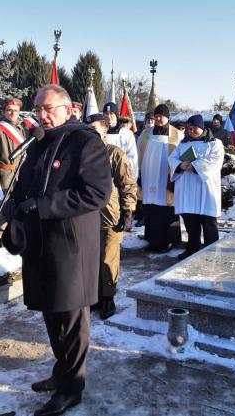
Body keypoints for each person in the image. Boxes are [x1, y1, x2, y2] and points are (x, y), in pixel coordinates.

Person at [2, 85, 111, 416]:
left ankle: (72, 387)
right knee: (51, 310)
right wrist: (17, 204)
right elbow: (25, 183)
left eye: (48, 108)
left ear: (68, 109)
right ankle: (61, 370)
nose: (41, 114)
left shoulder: (85, 142)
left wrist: (42, 206)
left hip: (71, 245)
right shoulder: (37, 142)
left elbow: (96, 193)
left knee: (71, 317)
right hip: (41, 243)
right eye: (37, 109)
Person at [86, 113, 137, 319]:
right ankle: (95, 295)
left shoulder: (114, 154)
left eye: (94, 129)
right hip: (87, 215)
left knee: (108, 258)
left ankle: (108, 296)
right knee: (90, 257)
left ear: (104, 130)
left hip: (110, 215)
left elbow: (127, 184)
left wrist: (128, 210)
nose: (90, 134)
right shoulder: (82, 155)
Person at [169, 114, 224, 260]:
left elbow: (215, 162)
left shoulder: (215, 143)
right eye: (189, 128)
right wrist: (180, 165)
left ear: (202, 127)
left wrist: (194, 166)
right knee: (190, 221)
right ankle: (192, 248)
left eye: (194, 128)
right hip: (187, 188)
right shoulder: (183, 143)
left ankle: (212, 251)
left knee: (208, 222)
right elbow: (172, 158)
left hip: (206, 189)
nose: (191, 131)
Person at [137, 104, 183, 252]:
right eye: (156, 116)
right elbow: (138, 153)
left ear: (167, 117)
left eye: (161, 116)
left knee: (166, 209)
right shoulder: (146, 134)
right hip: (149, 176)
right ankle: (152, 240)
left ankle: (169, 240)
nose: (158, 119)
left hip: (166, 177)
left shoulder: (177, 135)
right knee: (151, 209)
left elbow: (184, 153)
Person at [0, 98, 27, 248]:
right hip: (4, 178)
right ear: (4, 111)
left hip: (19, 176)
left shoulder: (21, 129)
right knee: (0, 215)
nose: (12, 113)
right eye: (9, 110)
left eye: (15, 111)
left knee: (16, 211)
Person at [102, 102, 139, 180]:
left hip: (123, 177)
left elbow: (133, 158)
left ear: (116, 115)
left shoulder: (127, 134)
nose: (109, 117)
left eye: (111, 113)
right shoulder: (100, 134)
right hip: (105, 178)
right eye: (106, 113)